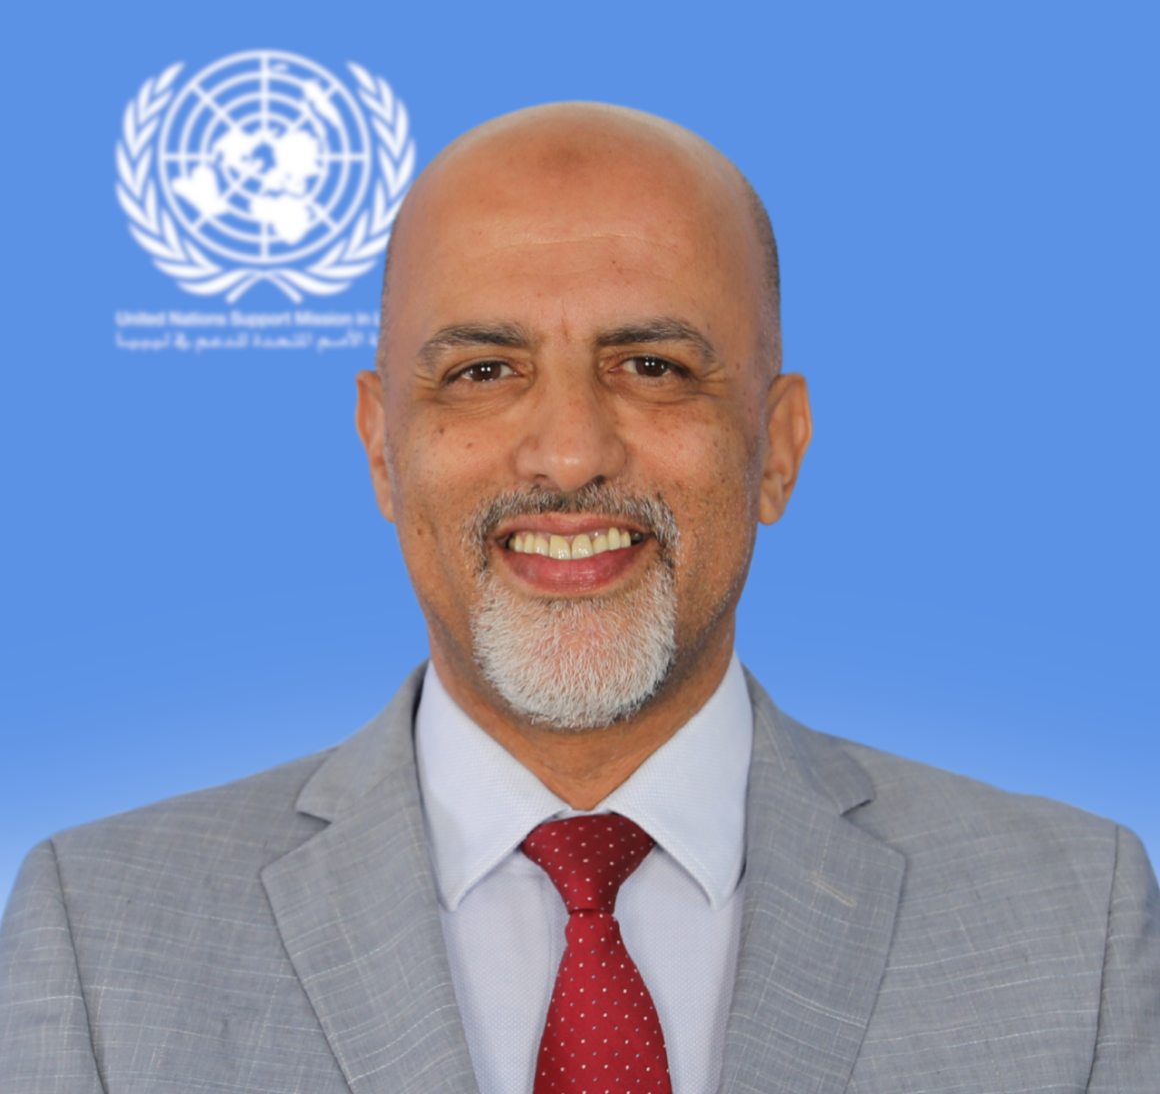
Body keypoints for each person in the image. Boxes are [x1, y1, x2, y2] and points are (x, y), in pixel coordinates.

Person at [1, 103, 1157, 1094]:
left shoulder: (1074, 922)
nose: (565, 452)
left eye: (651, 366)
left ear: (777, 446)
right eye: (481, 371)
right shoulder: (95, 935)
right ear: (380, 446)